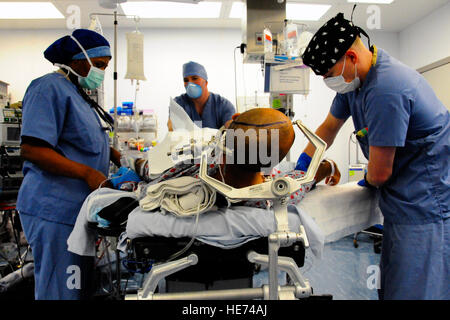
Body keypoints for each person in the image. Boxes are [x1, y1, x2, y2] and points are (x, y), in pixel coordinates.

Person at [296, 13, 449, 300]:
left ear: (351, 56)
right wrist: (302, 168)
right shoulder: (355, 82)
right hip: (401, 206)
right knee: (392, 288)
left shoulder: (387, 89)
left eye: (328, 75)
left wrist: (364, 180)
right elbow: (328, 128)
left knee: (414, 291)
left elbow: (379, 174)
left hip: (426, 210)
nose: (329, 82)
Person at [17, 29, 122, 300]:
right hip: (54, 208)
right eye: (99, 65)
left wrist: (114, 155)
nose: (101, 73)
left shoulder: (78, 94)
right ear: (77, 61)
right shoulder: (47, 87)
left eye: (105, 67)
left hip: (75, 209)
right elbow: (33, 148)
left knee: (74, 287)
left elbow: (76, 137)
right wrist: (87, 173)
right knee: (60, 291)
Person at [167, 61, 236, 130]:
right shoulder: (178, 104)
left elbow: (231, 128)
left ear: (206, 82)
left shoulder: (223, 105)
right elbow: (172, 129)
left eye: (195, 78)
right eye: (186, 80)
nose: (190, 83)